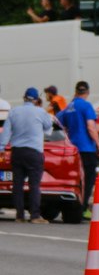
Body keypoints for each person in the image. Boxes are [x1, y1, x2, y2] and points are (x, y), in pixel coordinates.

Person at [0, 88, 53, 221]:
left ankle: (20, 215)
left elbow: (5, 133)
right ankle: (35, 215)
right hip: (34, 153)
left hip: (17, 152)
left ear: (24, 98)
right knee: (34, 184)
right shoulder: (41, 112)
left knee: (17, 184)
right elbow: (49, 130)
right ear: (36, 99)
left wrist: (1, 148)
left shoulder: (14, 112)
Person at [57, 80, 99, 213]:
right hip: (87, 149)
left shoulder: (69, 107)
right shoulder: (87, 106)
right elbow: (91, 127)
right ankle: (82, 209)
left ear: (76, 92)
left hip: (73, 150)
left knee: (76, 180)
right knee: (88, 180)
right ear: (87, 92)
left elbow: (59, 122)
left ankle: (74, 207)